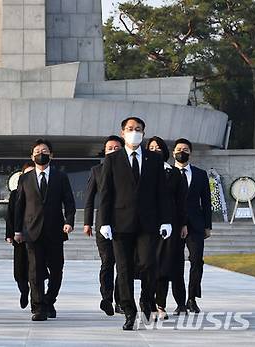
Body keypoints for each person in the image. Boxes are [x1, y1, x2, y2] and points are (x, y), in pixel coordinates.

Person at [98, 117, 172, 330]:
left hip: (148, 224)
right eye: (130, 129)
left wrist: (166, 220)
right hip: (121, 224)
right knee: (124, 269)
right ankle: (129, 311)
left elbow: (162, 194)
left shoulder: (154, 159)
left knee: (149, 264)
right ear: (122, 133)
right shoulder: (112, 160)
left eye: (138, 129)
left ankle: (146, 301)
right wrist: (104, 222)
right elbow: (105, 194)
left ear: (143, 132)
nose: (134, 132)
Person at [14, 139, 76, 321]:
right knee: (35, 270)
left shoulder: (61, 176)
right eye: (38, 151)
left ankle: (50, 300)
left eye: (45, 150)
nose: (41, 153)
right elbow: (19, 206)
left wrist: (69, 221)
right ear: (32, 156)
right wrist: (17, 230)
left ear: (51, 155)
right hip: (32, 231)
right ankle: (39, 307)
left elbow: (69, 202)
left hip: (55, 230)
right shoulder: (25, 178)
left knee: (57, 270)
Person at [146, 137, 188, 320]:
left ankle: (160, 305)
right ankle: (146, 303)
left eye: (158, 148)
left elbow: (181, 202)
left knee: (163, 267)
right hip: (146, 226)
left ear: (164, 151)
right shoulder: (141, 171)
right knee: (146, 266)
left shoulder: (174, 174)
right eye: (151, 148)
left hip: (169, 227)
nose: (155, 150)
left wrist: (183, 224)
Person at [83, 135, 124, 316]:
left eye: (117, 148)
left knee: (123, 265)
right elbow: (89, 199)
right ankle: (106, 298)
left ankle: (121, 301)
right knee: (107, 262)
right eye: (110, 148)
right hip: (103, 224)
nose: (113, 151)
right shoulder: (96, 170)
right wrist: (87, 222)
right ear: (104, 151)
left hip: (125, 223)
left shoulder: (129, 171)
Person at [172, 138, 212, 314]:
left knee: (197, 261)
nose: (182, 151)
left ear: (190, 153)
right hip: (173, 226)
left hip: (196, 225)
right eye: (179, 149)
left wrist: (207, 226)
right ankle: (180, 302)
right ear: (173, 152)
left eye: (186, 149)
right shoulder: (167, 173)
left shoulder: (200, 174)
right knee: (176, 264)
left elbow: (206, 200)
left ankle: (192, 298)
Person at [6, 161, 35, 310]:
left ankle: (35, 298)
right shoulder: (15, 193)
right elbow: (11, 215)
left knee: (36, 269)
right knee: (19, 270)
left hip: (36, 235)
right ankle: (24, 291)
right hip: (20, 236)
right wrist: (10, 233)